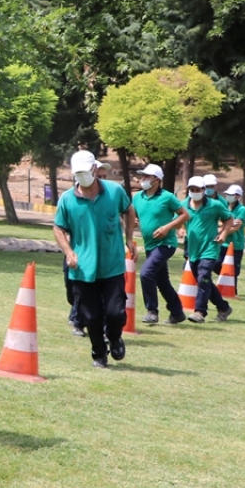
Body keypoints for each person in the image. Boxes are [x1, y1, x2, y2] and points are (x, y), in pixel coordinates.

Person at [52, 150, 136, 369]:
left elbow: (129, 210)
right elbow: (58, 227)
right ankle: (99, 353)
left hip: (112, 265)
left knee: (115, 312)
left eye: (84, 171)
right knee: (92, 316)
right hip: (82, 268)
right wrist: (69, 252)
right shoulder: (67, 199)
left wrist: (129, 239)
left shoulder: (115, 191)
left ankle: (115, 337)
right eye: (77, 173)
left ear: (94, 170)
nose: (81, 176)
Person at [130, 163, 189, 325]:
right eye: (142, 176)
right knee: (162, 281)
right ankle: (177, 313)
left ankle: (152, 311)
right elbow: (131, 215)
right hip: (150, 245)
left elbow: (185, 215)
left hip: (166, 243)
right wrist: (132, 221)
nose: (142, 179)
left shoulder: (167, 197)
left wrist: (167, 227)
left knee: (146, 273)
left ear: (157, 180)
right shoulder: (137, 197)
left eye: (146, 177)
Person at [182, 176, 237, 322]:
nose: (194, 192)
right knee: (203, 280)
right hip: (193, 250)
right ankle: (223, 307)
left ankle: (200, 312)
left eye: (198, 190)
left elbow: (229, 219)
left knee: (203, 276)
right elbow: (178, 220)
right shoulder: (183, 205)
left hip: (210, 248)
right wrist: (179, 230)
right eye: (192, 189)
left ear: (204, 190)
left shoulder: (215, 204)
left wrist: (224, 233)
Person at [219, 184, 245, 293]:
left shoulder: (242, 209)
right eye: (227, 194)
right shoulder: (223, 206)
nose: (228, 196)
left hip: (236, 245)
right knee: (216, 264)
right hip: (223, 243)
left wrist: (221, 228)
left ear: (237, 196)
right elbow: (218, 221)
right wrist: (228, 224)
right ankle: (223, 284)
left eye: (231, 195)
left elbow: (236, 227)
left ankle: (232, 291)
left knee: (234, 270)